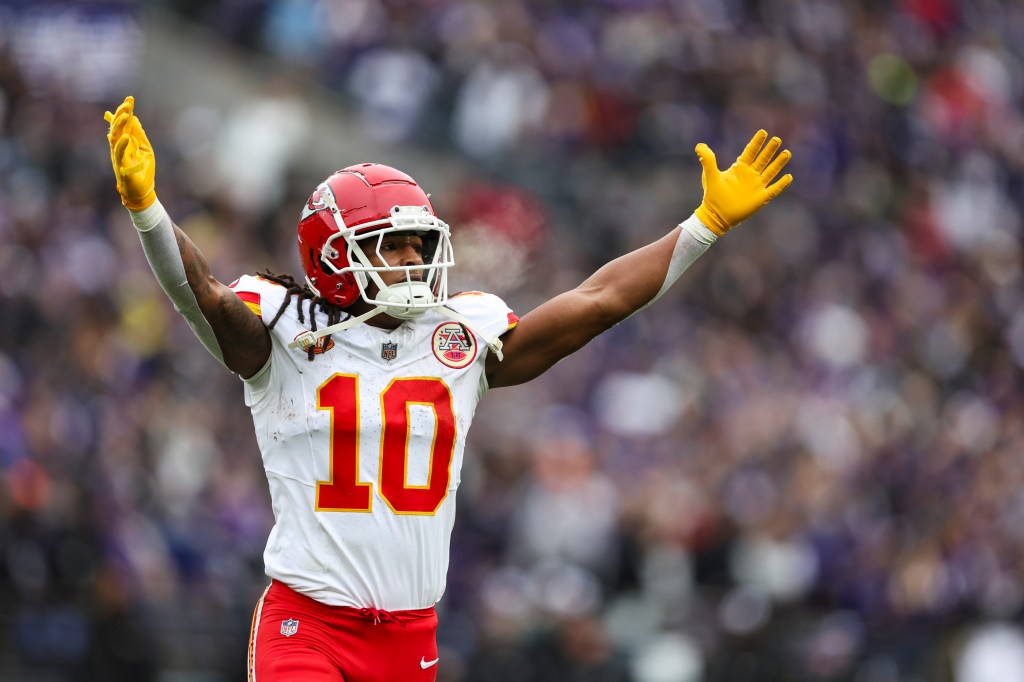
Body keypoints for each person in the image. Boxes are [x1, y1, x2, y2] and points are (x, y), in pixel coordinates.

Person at [104, 94, 792, 682]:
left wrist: (703, 227)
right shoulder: (281, 329)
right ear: (333, 253)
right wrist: (148, 212)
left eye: (418, 246)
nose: (412, 260)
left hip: (410, 633)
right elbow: (202, 296)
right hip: (307, 623)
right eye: (390, 245)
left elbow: (597, 300)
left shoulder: (461, 334)